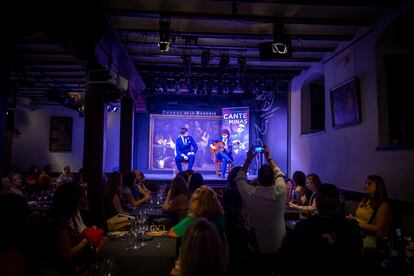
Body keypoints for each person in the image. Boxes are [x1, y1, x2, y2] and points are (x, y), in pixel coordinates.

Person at [281, 184, 363, 276]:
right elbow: (356, 260)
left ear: (317, 204)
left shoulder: (303, 226)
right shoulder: (351, 227)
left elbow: (290, 258)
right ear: (338, 203)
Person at [234, 145, 287, 275]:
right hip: (280, 246)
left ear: (258, 179)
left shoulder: (251, 193)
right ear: (273, 179)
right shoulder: (281, 192)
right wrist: (268, 158)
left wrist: (248, 160)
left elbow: (240, 178)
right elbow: (279, 173)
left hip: (257, 247)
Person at [346, 175, 393, 247]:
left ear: (378, 186)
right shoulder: (365, 199)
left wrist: (357, 223)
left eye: (370, 183)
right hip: (359, 232)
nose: (366, 185)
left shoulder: (383, 205)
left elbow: (378, 228)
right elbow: (360, 218)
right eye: (365, 183)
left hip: (372, 237)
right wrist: (353, 218)